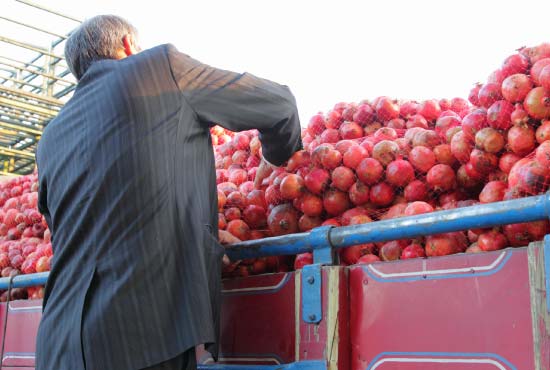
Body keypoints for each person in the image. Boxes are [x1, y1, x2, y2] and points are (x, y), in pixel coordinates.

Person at [35, 15, 302, 370]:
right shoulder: (159, 69)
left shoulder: (51, 136)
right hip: (138, 340)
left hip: (57, 344)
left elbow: (83, 232)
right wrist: (276, 158)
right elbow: (278, 104)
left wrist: (199, 234)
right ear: (129, 46)